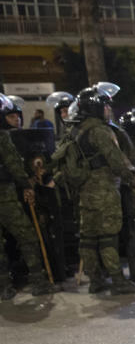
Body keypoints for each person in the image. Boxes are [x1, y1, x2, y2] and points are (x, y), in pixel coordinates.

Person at [60, 84, 135, 295]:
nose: (109, 110)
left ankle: (95, 280)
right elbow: (116, 160)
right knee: (108, 236)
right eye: (106, 106)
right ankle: (118, 281)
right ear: (96, 108)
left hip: (83, 192)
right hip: (105, 190)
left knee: (88, 237)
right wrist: (133, 180)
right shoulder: (100, 130)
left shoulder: (75, 130)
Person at [0, 94, 59, 299]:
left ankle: (4, 286)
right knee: (27, 235)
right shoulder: (2, 136)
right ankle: (38, 280)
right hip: (4, 195)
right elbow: (13, 163)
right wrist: (26, 185)